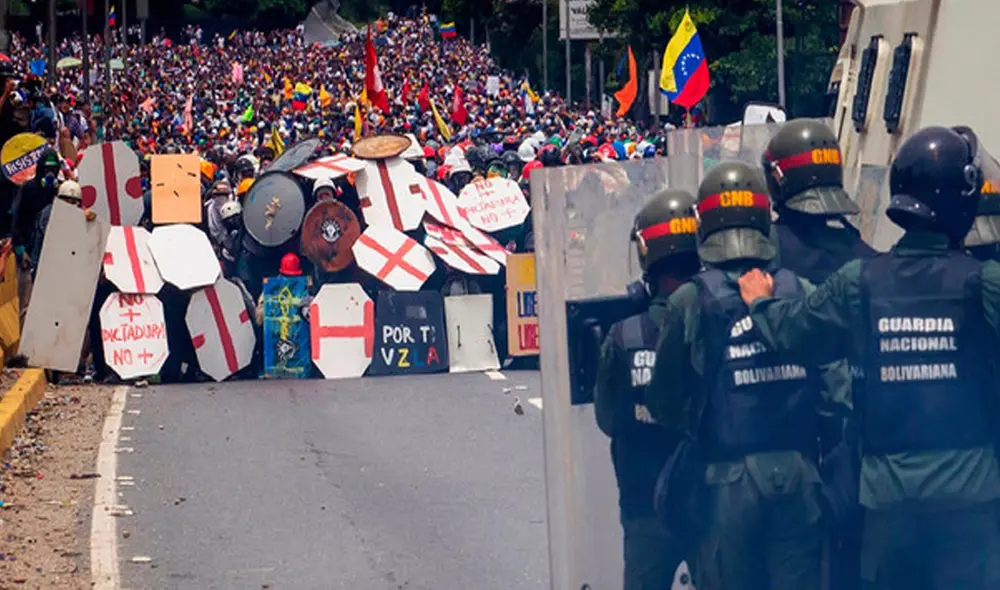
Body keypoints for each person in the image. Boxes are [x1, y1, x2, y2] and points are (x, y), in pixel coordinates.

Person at [738, 126, 1000, 590]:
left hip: (886, 503)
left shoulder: (860, 281)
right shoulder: (984, 282)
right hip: (970, 503)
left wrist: (760, 303)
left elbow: (793, 331)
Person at [647, 160, 834, 590]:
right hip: (801, 474)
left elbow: (663, 402)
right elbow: (834, 387)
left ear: (704, 225)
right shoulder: (798, 290)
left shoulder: (690, 301)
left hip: (726, 481)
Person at [762, 118, 875, 589]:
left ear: (776, 179)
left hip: (784, 451)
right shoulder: (868, 256)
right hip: (866, 452)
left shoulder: (761, 259)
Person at [593, 188, 702, 590]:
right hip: (709, 499)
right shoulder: (723, 320)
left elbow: (608, 420)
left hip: (643, 503)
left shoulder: (625, 336)